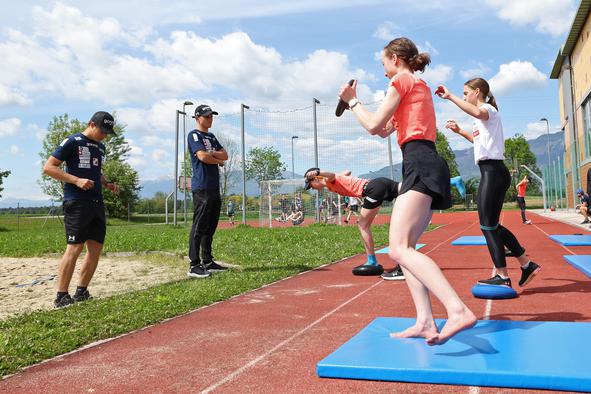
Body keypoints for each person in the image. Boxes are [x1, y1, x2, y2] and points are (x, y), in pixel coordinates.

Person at [338, 37, 476, 345]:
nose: (384, 71)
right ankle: (425, 321)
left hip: (420, 163)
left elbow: (373, 125)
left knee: (398, 249)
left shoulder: (401, 79)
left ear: (396, 59)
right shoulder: (418, 85)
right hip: (423, 161)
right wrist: (354, 106)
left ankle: (457, 310)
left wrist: (352, 101)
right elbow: (384, 129)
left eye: (384, 63)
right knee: (407, 249)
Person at [436, 78, 541, 291]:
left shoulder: (487, 110)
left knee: (487, 226)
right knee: (492, 225)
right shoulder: (483, 117)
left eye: (465, 93)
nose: (464, 96)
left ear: (477, 92)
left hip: (493, 172)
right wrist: (459, 132)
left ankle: (503, 276)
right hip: (492, 172)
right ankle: (526, 265)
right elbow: (478, 142)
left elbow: (476, 112)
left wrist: (450, 97)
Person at [43, 111, 120, 308]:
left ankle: (82, 291)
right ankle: (61, 295)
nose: (104, 135)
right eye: (102, 130)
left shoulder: (101, 147)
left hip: (96, 202)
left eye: (107, 132)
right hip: (77, 201)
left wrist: (107, 183)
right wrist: (76, 180)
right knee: (75, 247)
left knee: (95, 249)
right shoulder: (72, 141)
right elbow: (49, 167)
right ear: (91, 124)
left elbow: (96, 171)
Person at [304, 168, 405, 280]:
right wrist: (340, 176)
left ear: (316, 179)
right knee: (410, 189)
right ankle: (405, 264)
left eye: (311, 185)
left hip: (373, 189)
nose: (312, 188)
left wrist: (318, 172)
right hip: (379, 183)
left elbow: (332, 174)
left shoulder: (329, 180)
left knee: (363, 224)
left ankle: (372, 261)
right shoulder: (330, 183)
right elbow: (347, 172)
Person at [187, 104, 229, 278]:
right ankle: (194, 264)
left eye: (211, 116)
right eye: (206, 116)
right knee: (199, 225)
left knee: (210, 225)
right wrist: (215, 158)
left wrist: (213, 156)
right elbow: (202, 156)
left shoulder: (211, 136)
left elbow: (225, 155)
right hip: (202, 187)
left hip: (213, 186)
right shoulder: (194, 135)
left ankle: (208, 261)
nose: (210, 119)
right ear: (198, 118)